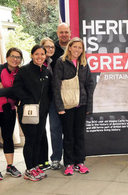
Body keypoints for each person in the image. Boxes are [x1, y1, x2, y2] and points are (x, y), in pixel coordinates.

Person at [53, 37, 94, 176]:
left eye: (80, 47)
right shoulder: (61, 62)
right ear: (69, 47)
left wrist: (89, 106)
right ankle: (69, 163)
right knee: (69, 135)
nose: (77, 49)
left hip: (81, 104)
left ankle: (80, 162)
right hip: (67, 105)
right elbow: (56, 85)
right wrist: (60, 106)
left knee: (79, 134)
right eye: (75, 46)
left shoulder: (83, 63)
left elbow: (90, 84)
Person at [12, 45, 51, 181]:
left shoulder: (46, 71)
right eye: (37, 54)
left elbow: (49, 92)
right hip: (28, 111)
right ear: (32, 55)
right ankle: (29, 170)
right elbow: (17, 90)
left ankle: (35, 166)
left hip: (42, 112)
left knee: (38, 139)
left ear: (45, 56)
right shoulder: (23, 71)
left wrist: (46, 106)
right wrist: (30, 100)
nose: (39, 57)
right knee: (30, 140)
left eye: (42, 54)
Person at [49, 23, 71, 169]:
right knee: (55, 128)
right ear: (57, 34)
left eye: (66, 32)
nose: (63, 34)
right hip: (53, 97)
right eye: (61, 32)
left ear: (70, 33)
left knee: (69, 129)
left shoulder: (75, 48)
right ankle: (56, 158)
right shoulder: (52, 49)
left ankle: (70, 157)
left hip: (70, 96)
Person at [39, 37, 62, 170]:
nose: (50, 49)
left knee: (54, 129)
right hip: (40, 102)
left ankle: (56, 158)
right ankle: (40, 161)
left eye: (52, 47)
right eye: (47, 47)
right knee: (40, 131)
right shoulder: (37, 62)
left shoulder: (55, 62)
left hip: (53, 100)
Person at [0, 48, 23, 180]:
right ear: (7, 57)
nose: (15, 59)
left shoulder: (20, 72)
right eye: (13, 56)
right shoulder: (0, 69)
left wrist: (6, 89)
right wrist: (12, 90)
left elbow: (19, 91)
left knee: (8, 138)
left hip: (10, 109)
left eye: (18, 57)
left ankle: (10, 167)